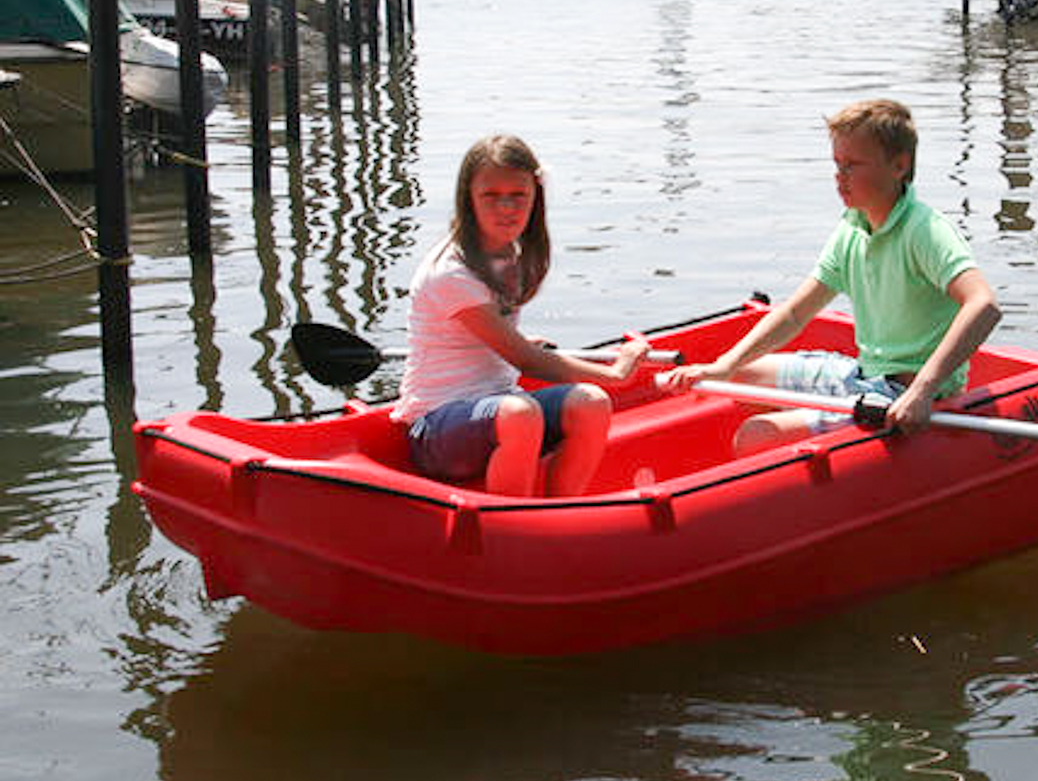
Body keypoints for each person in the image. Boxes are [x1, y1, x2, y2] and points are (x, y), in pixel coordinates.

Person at [662, 99, 1001, 456]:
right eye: (837, 164)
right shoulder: (852, 228)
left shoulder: (925, 230)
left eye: (853, 165)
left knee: (755, 436)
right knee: (739, 375)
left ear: (899, 165)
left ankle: (810, 458)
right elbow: (795, 314)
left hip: (903, 391)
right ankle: (816, 454)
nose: (840, 176)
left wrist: (922, 391)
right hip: (863, 373)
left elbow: (984, 305)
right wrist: (724, 365)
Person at [392, 134, 648, 496]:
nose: (506, 207)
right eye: (491, 196)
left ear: (535, 196)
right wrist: (617, 373)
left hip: (499, 405)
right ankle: (509, 526)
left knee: (592, 403)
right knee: (521, 414)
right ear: (469, 198)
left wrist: (508, 339)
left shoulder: (506, 254)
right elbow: (527, 362)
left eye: (518, 195)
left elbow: (496, 341)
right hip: (434, 431)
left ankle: (561, 513)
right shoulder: (451, 272)